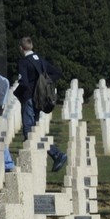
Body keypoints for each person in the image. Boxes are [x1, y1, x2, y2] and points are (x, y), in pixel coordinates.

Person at [15, 36, 67, 172]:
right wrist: (44, 83)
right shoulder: (40, 60)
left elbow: (24, 83)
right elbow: (57, 72)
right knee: (34, 131)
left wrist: (16, 93)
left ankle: (56, 153)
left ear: (21, 48)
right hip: (40, 99)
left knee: (28, 131)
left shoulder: (24, 62)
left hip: (29, 99)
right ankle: (48, 157)